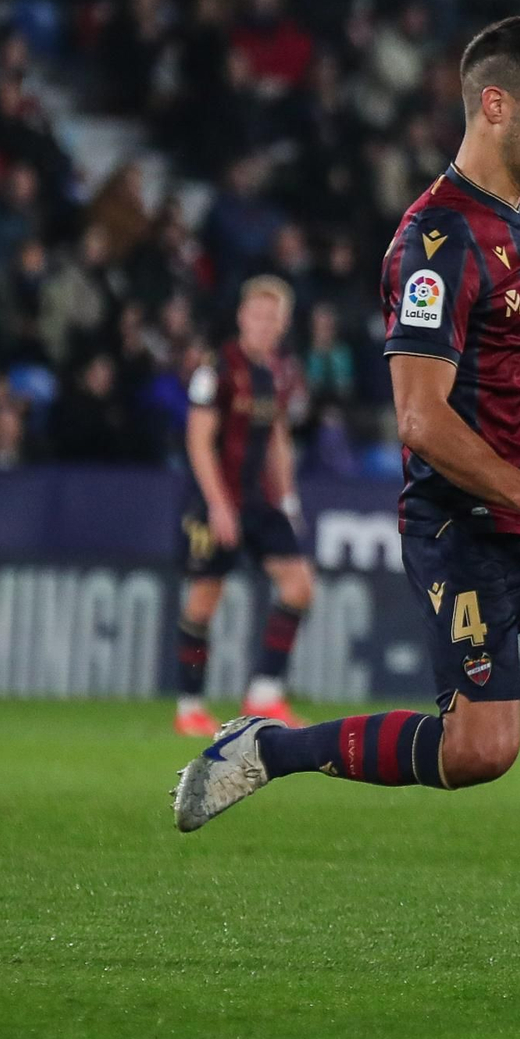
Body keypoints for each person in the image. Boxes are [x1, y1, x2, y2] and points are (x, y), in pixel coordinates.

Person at [173, 18, 520, 997]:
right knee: (482, 750)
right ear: (494, 103)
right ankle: (268, 746)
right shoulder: (435, 239)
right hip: (470, 531)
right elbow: (420, 419)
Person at [171, 275, 314, 737]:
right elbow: (198, 440)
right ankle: (189, 705)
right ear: (241, 317)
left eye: (274, 319)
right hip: (217, 501)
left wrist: (287, 498)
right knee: (204, 600)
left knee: (298, 586)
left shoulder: (274, 373)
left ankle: (264, 695)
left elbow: (276, 438)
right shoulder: (216, 368)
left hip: (257, 500)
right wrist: (218, 506)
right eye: (258, 315)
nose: (265, 325)